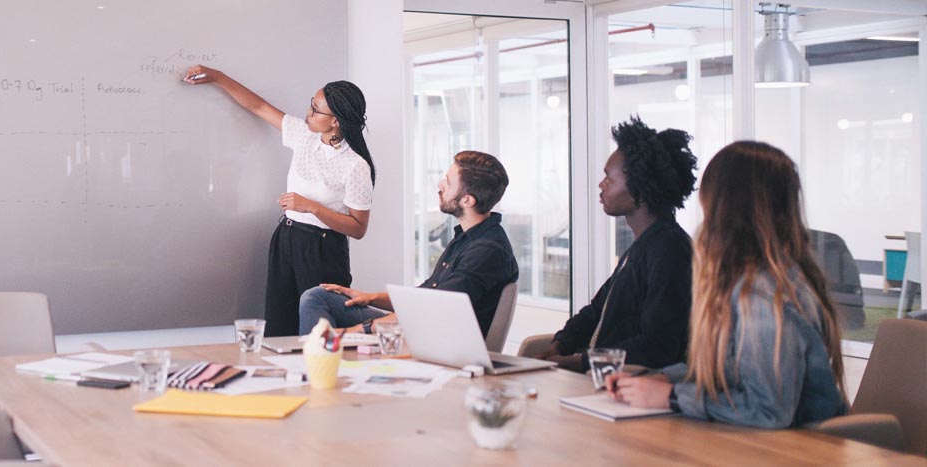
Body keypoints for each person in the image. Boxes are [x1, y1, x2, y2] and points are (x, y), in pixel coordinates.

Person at [608, 141, 848, 428]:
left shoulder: (761, 296)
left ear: (722, 207)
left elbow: (768, 410)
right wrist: (662, 379)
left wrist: (671, 397)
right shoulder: (752, 280)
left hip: (800, 452)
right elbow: (733, 368)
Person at [183, 65, 375, 336]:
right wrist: (217, 77)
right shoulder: (304, 136)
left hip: (323, 250)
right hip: (286, 238)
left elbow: (358, 228)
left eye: (316, 109)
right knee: (280, 324)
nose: (308, 113)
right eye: (311, 104)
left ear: (336, 121)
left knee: (318, 333)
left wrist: (312, 207)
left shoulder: (355, 165)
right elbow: (260, 108)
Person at [535, 116, 697, 372]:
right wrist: (562, 343)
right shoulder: (644, 245)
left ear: (640, 188)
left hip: (630, 387)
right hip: (605, 381)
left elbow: (656, 345)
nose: (601, 186)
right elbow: (598, 309)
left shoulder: (670, 250)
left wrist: (580, 362)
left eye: (609, 179)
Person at [298, 151, 517, 338]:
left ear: (468, 200)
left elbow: (432, 309)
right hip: (424, 325)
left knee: (326, 314)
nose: (439, 185)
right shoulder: (468, 237)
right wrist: (369, 297)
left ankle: (320, 363)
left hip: (438, 338)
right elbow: (427, 295)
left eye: (448, 182)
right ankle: (322, 364)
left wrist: (361, 330)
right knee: (318, 296)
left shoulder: (487, 250)